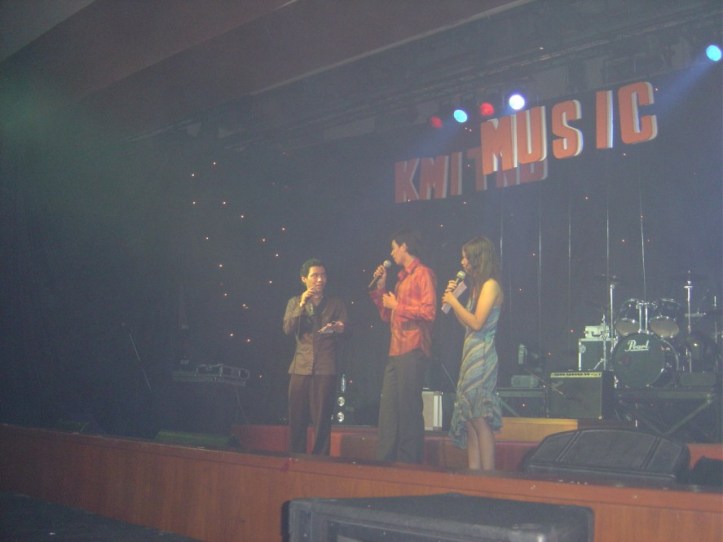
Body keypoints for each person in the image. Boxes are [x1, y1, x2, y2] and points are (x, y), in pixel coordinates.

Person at [369, 229, 437, 463]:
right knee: (388, 410)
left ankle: (410, 464)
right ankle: (385, 461)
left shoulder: (423, 274)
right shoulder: (401, 279)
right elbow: (387, 316)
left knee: (409, 410)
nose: (392, 253)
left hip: (413, 347)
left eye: (394, 247)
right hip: (395, 349)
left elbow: (429, 312)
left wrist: (397, 306)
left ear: (404, 246)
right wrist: (380, 288)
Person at [441, 236, 504, 470]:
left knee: (479, 418)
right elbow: (467, 323)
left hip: (483, 357)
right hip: (470, 355)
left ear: (478, 258)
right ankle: (474, 474)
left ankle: (488, 475)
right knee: (469, 420)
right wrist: (455, 301)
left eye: (466, 257)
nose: (462, 262)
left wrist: (454, 302)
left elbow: (478, 323)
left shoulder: (490, 286)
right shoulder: (476, 287)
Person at [283, 258, 348, 455]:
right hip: (300, 367)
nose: (320, 280)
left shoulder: (335, 303)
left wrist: (338, 327)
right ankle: (296, 459)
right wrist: (302, 304)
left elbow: (346, 329)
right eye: (315, 276)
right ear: (304, 279)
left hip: (325, 367)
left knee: (322, 421)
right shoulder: (294, 302)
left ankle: (320, 462)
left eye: (323, 275)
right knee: (297, 420)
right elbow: (288, 329)